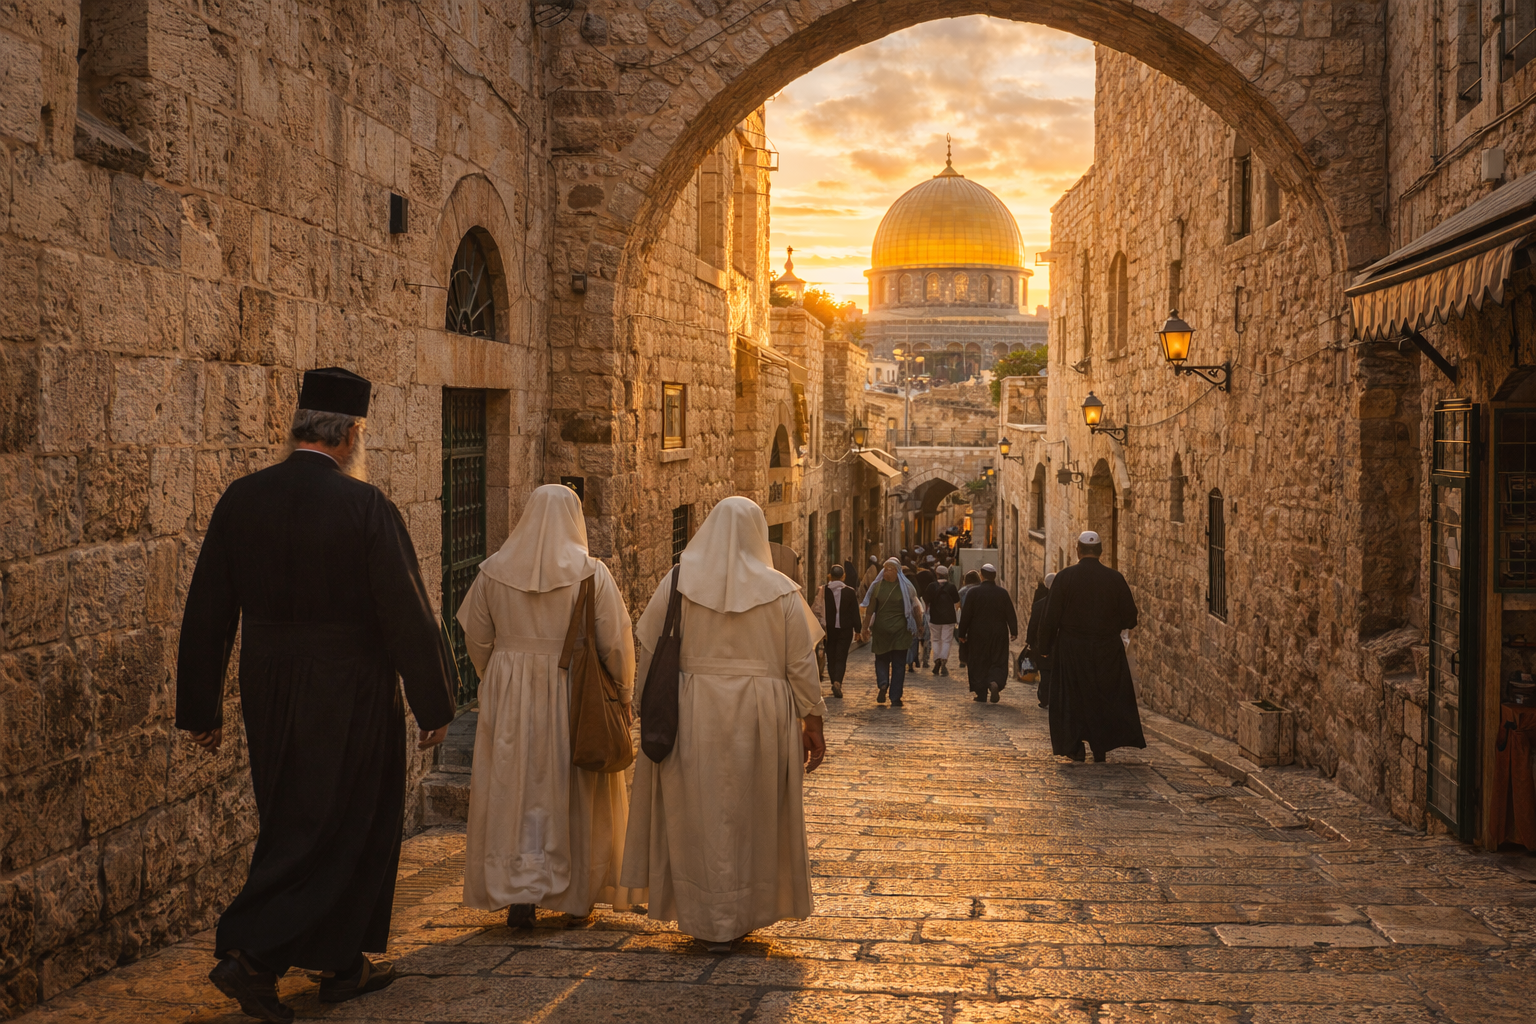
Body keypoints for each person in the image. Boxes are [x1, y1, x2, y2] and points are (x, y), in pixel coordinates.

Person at [176, 367, 457, 1021]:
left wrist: (201, 708)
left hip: (269, 684)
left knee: (293, 813)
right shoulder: (365, 508)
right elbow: (406, 612)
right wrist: (433, 701)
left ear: (300, 427)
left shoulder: (241, 499)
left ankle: (341, 964)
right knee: (340, 820)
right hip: (351, 688)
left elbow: (208, 609)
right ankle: (250, 959)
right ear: (352, 433)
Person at [621, 498, 826, 953]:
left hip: (691, 711)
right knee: (752, 816)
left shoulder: (677, 582)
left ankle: (705, 914)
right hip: (762, 718)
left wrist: (640, 703)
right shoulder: (781, 591)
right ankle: (739, 914)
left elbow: (652, 651)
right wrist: (813, 720)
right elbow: (801, 665)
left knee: (697, 813)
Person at [455, 485, 642, 928]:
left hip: (509, 692)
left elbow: (476, 637)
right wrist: (625, 693)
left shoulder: (493, 572)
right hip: (571, 691)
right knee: (568, 787)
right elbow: (615, 643)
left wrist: (499, 676)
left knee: (515, 787)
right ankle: (574, 894)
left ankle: (519, 887)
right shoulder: (591, 574)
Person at [1039, 531, 1147, 762]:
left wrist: (1044, 647)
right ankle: (1101, 745)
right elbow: (1130, 618)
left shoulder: (1065, 577)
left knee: (1072, 697)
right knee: (1103, 695)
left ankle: (1074, 746)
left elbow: (1050, 617)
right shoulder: (1115, 579)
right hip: (1106, 649)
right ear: (1101, 551)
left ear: (1077, 550)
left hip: (1071, 649)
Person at [859, 558, 919, 708]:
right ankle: (895, 697)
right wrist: (919, 625)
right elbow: (915, 608)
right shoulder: (906, 588)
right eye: (886, 569)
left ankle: (883, 683)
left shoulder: (877, 587)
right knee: (898, 664)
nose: (887, 572)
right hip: (899, 631)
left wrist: (865, 627)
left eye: (889, 569)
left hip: (882, 630)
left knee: (881, 659)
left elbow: (870, 611)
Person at [956, 564, 1018, 704]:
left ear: (982, 576)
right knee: (998, 659)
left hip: (978, 633)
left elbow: (966, 615)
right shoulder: (1002, 593)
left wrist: (962, 633)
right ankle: (995, 681)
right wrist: (1013, 631)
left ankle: (981, 693)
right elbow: (1010, 613)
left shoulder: (973, 593)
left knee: (979, 661)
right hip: (999, 632)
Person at [813, 564, 860, 699]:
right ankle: (838, 681)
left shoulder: (824, 590)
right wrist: (858, 630)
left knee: (831, 656)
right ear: (843, 576)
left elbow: (816, 609)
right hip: (845, 630)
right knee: (841, 657)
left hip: (829, 629)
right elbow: (854, 613)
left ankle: (834, 681)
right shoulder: (850, 592)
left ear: (830, 576)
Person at [1023, 573, 1056, 708]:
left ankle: (1044, 698)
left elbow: (1033, 626)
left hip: (1043, 645)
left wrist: (1030, 642)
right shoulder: (1067, 604)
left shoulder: (1038, 605)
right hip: (1060, 645)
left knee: (1045, 672)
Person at [925, 566, 961, 676]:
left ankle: (937, 659)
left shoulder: (931, 586)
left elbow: (926, 601)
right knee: (946, 640)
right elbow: (957, 603)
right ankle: (944, 659)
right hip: (949, 618)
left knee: (935, 639)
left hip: (935, 617)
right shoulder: (951, 587)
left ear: (937, 574)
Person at [955, 569, 981, 667]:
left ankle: (963, 659)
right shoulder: (980, 589)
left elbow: (958, 606)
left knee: (963, 639)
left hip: (964, 617)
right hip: (977, 617)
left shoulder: (962, 591)